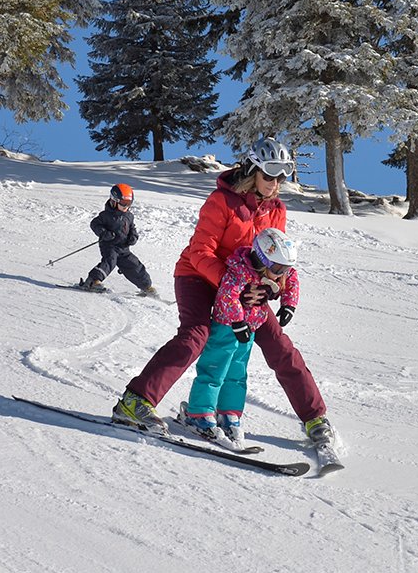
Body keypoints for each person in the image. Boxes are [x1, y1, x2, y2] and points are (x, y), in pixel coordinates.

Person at [111, 137, 334, 446]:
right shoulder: (222, 201)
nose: (275, 182)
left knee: (279, 345)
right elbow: (201, 253)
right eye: (270, 174)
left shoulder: (276, 210)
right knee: (197, 335)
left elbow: (274, 259)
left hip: (244, 286)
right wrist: (238, 286)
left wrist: (272, 287)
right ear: (253, 170)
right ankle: (134, 402)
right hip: (197, 276)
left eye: (282, 175)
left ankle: (315, 418)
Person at [180, 227, 300, 449]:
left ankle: (229, 413)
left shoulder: (277, 271)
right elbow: (228, 295)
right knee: (214, 369)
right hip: (226, 327)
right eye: (278, 268)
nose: (282, 274)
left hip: (250, 327)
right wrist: (237, 322)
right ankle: (199, 412)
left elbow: (292, 279)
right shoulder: (239, 270)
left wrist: (289, 305)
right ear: (262, 259)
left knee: (237, 373)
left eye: (285, 268)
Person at [78, 183, 157, 296]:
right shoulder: (106, 215)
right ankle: (93, 281)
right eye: (124, 203)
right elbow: (94, 224)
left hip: (124, 248)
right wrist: (104, 233)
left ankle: (147, 287)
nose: (126, 207)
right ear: (114, 201)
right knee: (110, 261)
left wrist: (133, 236)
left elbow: (132, 227)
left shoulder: (129, 216)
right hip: (109, 246)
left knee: (134, 265)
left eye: (129, 204)